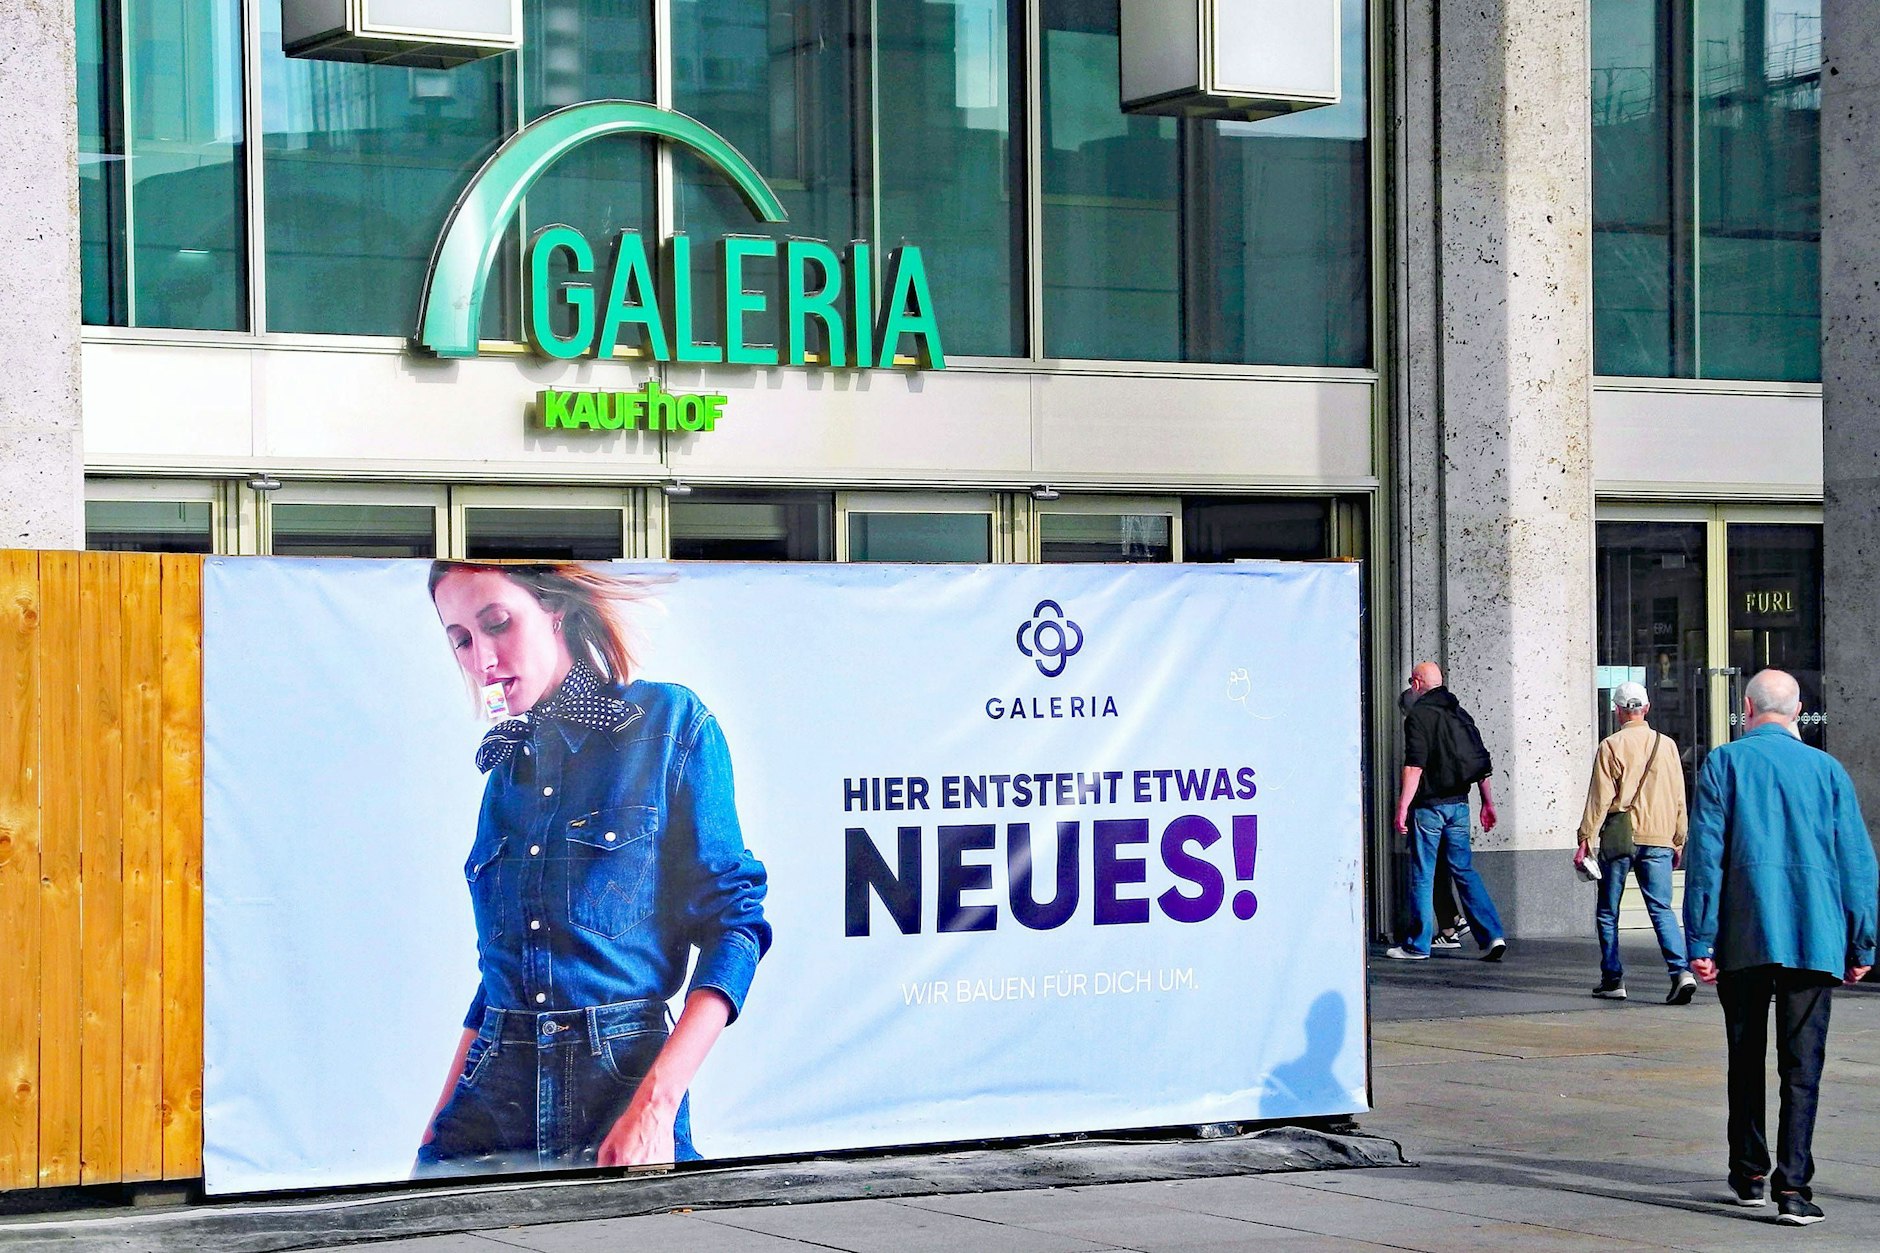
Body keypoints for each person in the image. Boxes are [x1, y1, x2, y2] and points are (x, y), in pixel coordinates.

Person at [416, 561, 772, 1177]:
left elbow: (735, 926)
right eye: (462, 640)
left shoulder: (667, 725)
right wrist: (434, 1127)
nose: (482, 659)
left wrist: (657, 1107)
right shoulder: (506, 771)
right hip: (485, 1115)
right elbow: (507, 970)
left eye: (497, 624)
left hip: (620, 1095)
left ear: (556, 608)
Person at [1683, 669, 1877, 1226]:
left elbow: (1706, 857)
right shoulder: (1828, 771)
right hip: (1814, 933)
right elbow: (1856, 863)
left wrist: (1700, 937)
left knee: (1744, 1058)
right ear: (1797, 711)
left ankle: (1748, 1174)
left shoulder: (1724, 763)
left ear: (1747, 707)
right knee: (1803, 1064)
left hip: (1744, 932)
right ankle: (1794, 1189)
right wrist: (1862, 941)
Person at [1576, 681, 1695, 1004]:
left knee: (1608, 910)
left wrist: (1585, 837)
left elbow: (1599, 799)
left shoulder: (1611, 746)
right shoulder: (1667, 745)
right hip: (1659, 837)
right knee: (1661, 909)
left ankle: (1613, 978)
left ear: (1617, 711)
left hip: (1620, 837)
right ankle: (1680, 972)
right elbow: (1679, 796)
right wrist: (1678, 838)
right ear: (1647, 708)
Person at [1386, 662, 1507, 962]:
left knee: (1424, 874)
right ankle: (1492, 935)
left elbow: (1415, 765)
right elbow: (1480, 762)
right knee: (1464, 870)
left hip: (1429, 807)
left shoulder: (1418, 717)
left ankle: (1417, 945)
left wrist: (1402, 808)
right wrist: (1487, 803)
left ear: (1415, 684)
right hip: (1460, 806)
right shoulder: (1460, 715)